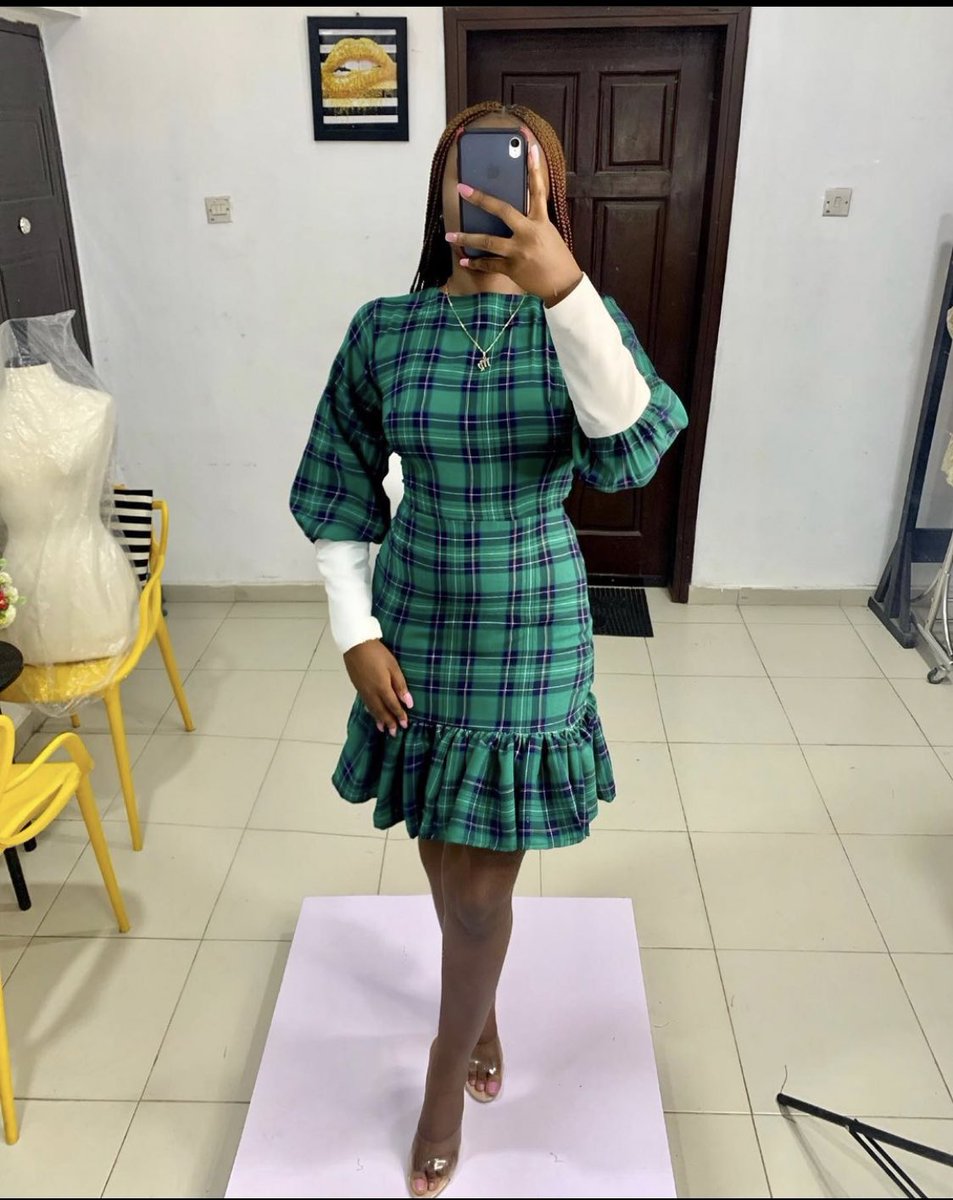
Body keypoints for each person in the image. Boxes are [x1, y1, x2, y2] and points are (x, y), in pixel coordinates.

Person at [290, 101, 687, 1197]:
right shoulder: (385, 328)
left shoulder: (578, 318)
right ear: (441, 193)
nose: (486, 194)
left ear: (547, 195)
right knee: (439, 847)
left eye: (516, 176)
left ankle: (442, 1063)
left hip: (529, 625)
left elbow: (627, 452)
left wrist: (565, 291)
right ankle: (482, 1007)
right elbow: (335, 483)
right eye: (465, 176)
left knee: (474, 892)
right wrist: (354, 631)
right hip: (415, 616)